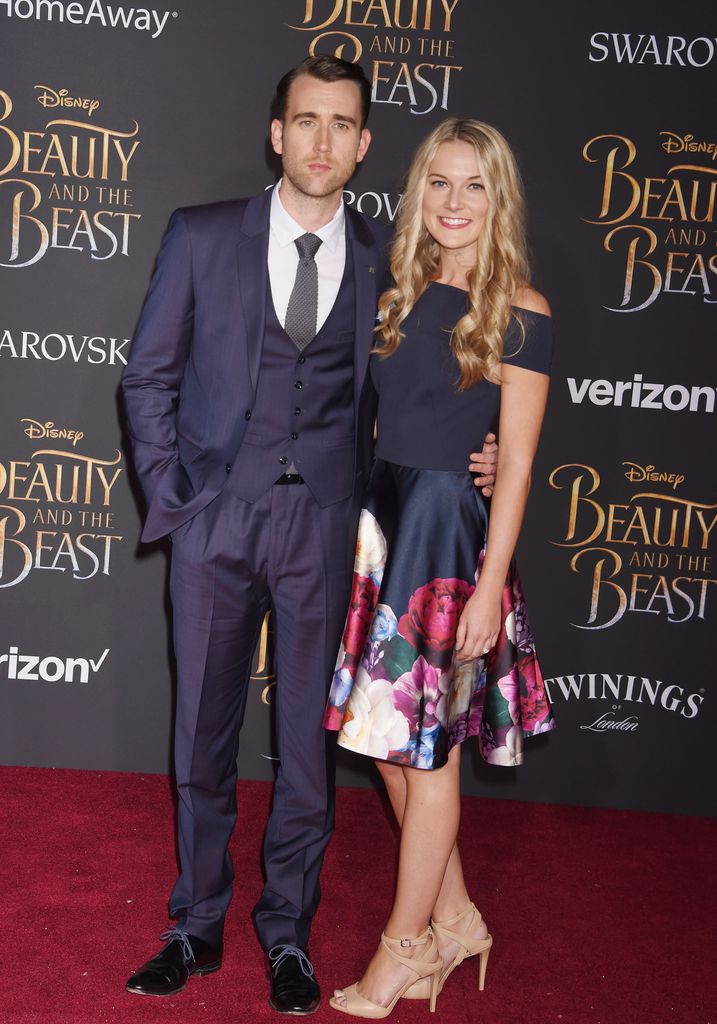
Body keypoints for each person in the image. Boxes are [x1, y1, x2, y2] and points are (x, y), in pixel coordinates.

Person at [121, 59, 498, 1015]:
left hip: (328, 525)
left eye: (343, 125)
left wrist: (483, 450)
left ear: (364, 144)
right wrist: (177, 498)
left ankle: (285, 930)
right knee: (201, 733)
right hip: (218, 519)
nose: (322, 141)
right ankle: (193, 923)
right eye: (306, 121)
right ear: (276, 134)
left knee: (306, 746)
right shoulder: (204, 236)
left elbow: (433, 387)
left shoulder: (389, 256)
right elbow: (146, 377)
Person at [323, 117, 556, 1018]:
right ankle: (455, 917)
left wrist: (491, 584)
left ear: (498, 201)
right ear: (418, 192)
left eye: (474, 186)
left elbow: (521, 460)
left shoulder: (522, 310)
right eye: (439, 183)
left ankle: (403, 950)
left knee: (426, 764)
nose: (454, 202)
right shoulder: (395, 290)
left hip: (449, 546)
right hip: (382, 530)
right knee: (388, 750)